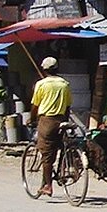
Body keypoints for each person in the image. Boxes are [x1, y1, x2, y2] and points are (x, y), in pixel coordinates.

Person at [29, 56, 72, 197]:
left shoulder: (41, 84)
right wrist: (64, 120)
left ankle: (48, 186)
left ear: (44, 69)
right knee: (58, 147)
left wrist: (31, 119)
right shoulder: (65, 84)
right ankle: (57, 172)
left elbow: (35, 105)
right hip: (61, 120)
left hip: (47, 121)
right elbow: (67, 106)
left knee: (47, 155)